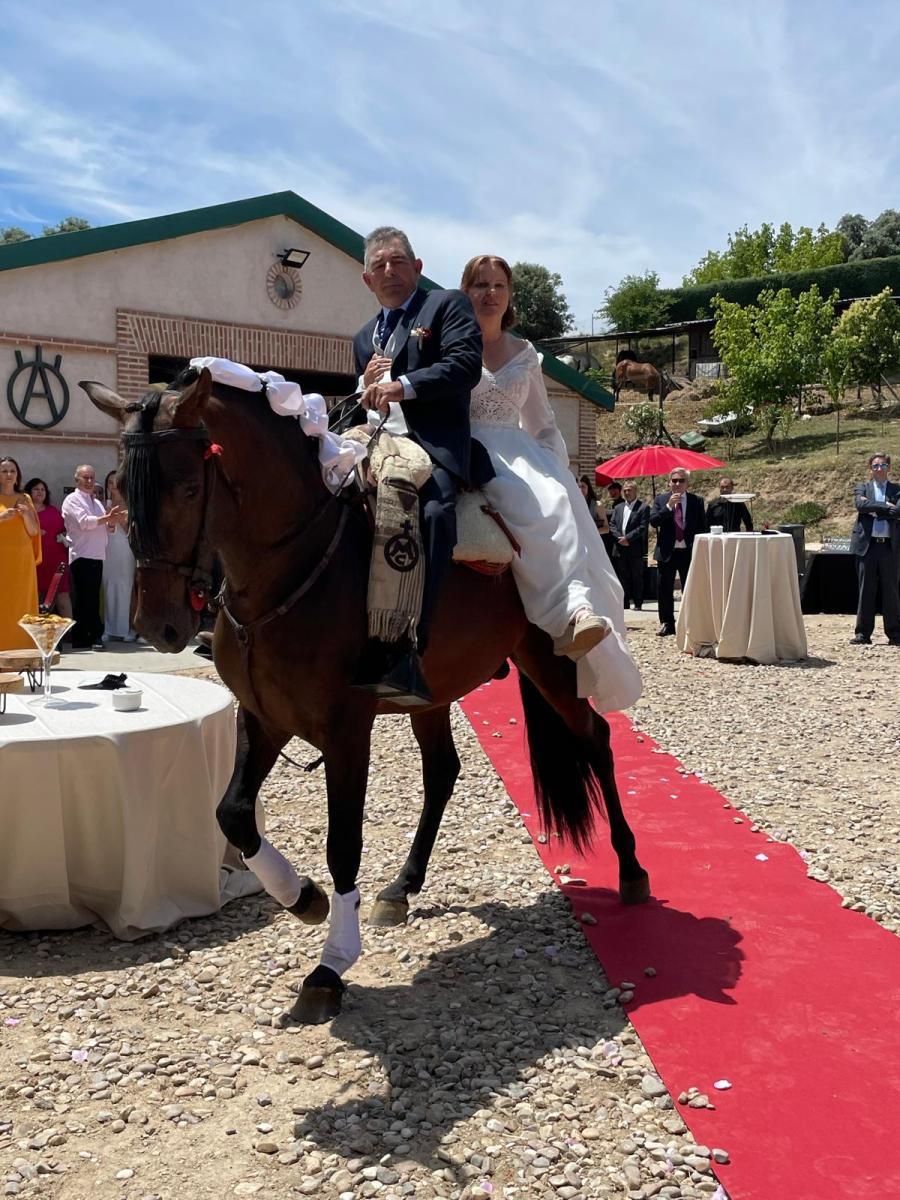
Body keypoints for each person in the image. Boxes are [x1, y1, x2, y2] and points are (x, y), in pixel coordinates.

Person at [460, 253, 641, 712]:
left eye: (498, 285)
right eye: (480, 284)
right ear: (465, 292)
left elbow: (541, 424)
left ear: (509, 296)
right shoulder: (450, 343)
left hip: (515, 452)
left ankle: (574, 613)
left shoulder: (524, 354)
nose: (489, 293)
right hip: (464, 449)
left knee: (550, 504)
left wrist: (556, 471)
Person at [351, 225, 490, 702]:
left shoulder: (446, 305)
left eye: (397, 261)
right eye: (379, 265)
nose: (389, 270)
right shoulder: (363, 336)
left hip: (430, 445)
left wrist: (401, 385)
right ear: (367, 279)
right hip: (374, 443)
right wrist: (364, 389)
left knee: (433, 512)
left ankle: (412, 646)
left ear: (417, 267)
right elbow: (366, 406)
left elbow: (464, 366)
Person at [61, 464, 121, 651]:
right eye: (85, 478)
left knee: (92, 598)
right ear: (76, 480)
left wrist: (112, 523)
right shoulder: (72, 500)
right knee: (85, 599)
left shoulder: (96, 503)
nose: (89, 481)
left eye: (92, 478)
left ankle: (86, 637)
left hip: (96, 555)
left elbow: (106, 528)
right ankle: (90, 636)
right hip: (82, 554)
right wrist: (107, 519)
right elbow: (84, 523)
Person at [649, 466, 707, 636]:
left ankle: (690, 622)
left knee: (689, 589)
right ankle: (668, 623)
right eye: (674, 480)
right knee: (664, 589)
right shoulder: (661, 500)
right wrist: (668, 507)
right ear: (669, 482)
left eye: (681, 480)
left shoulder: (696, 501)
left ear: (687, 483)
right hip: (667, 552)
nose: (677, 483)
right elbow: (653, 521)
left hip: (688, 552)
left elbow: (702, 526)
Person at [849, 452, 900, 646]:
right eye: (875, 466)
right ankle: (863, 633)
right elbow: (860, 505)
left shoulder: (897, 489)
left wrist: (875, 510)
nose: (879, 469)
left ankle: (895, 634)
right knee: (866, 591)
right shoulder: (862, 487)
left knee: (891, 591)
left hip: (889, 547)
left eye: (883, 465)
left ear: (889, 468)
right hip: (867, 547)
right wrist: (885, 507)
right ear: (870, 469)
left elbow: (898, 510)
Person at [0, 455, 41, 650]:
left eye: (12, 471)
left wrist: (25, 514)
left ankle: (23, 647)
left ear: (17, 475)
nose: (9, 474)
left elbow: (33, 531)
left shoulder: (25, 498)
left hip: (22, 559)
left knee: (21, 602)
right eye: (4, 471)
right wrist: (1, 518)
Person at [24, 477, 72, 619]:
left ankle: (69, 630)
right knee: (36, 599)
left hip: (57, 562)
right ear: (29, 492)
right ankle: (37, 630)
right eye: (36, 489)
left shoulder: (54, 511)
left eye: (43, 489)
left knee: (63, 597)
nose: (40, 492)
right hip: (35, 563)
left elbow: (65, 530)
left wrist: (64, 536)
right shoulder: (25, 512)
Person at [102, 470, 136, 641]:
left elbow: (135, 531)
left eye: (116, 481)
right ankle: (109, 629)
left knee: (124, 586)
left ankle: (124, 629)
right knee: (107, 586)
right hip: (106, 550)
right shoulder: (102, 504)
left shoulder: (131, 505)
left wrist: (121, 520)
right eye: (110, 482)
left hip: (125, 549)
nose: (113, 485)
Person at [609, 480, 650, 609]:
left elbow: (642, 527)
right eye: (625, 490)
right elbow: (612, 525)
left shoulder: (643, 507)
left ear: (635, 491)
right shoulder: (618, 507)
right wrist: (619, 538)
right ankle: (624, 603)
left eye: (629, 490)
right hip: (619, 547)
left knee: (636, 577)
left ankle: (638, 603)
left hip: (634, 548)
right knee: (622, 577)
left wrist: (628, 538)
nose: (627, 493)